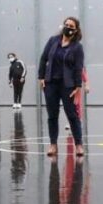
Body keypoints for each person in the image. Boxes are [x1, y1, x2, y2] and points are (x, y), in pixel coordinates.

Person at [39, 18, 86, 157]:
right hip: (50, 84)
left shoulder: (77, 47)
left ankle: (78, 145)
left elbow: (79, 67)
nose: (67, 27)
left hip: (68, 86)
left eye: (71, 26)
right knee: (52, 115)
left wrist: (78, 86)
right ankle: (53, 145)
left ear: (76, 30)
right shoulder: (53, 40)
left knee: (72, 115)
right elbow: (43, 58)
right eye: (66, 25)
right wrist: (41, 77)